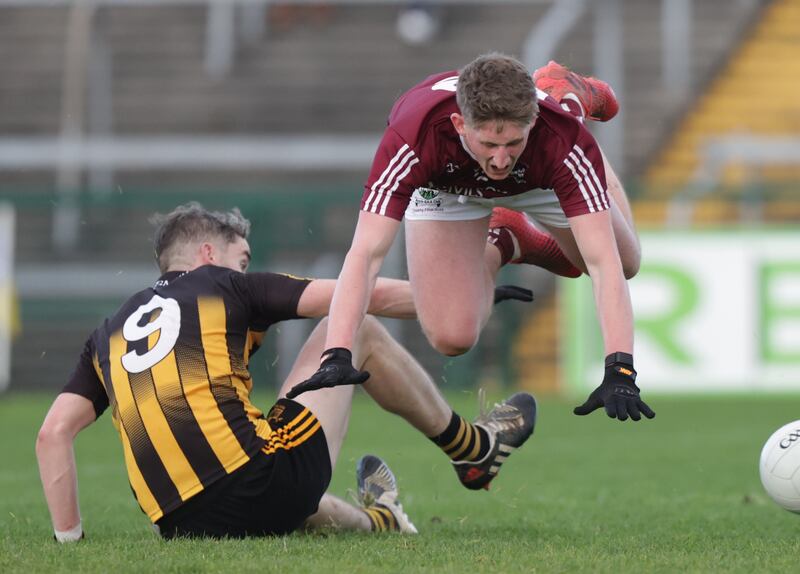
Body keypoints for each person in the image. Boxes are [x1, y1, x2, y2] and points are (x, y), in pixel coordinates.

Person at [35, 202, 537, 542]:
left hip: (180, 523)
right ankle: (473, 449)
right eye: (243, 259)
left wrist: (70, 541)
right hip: (259, 484)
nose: (246, 270)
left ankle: (380, 520)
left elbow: (52, 435)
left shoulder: (108, 333)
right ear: (209, 256)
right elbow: (360, 292)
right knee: (353, 328)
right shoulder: (222, 284)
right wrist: (463, 299)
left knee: (270, 465)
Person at [292, 54, 655, 423]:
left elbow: (603, 262)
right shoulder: (414, 136)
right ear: (460, 124)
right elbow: (366, 253)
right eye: (488, 144)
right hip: (446, 187)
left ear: (531, 121)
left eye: (512, 142)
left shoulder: (558, 139)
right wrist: (336, 351)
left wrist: (620, 368)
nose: (499, 160)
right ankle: (504, 241)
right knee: (452, 337)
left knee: (626, 263)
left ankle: (563, 95)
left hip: (538, 177)